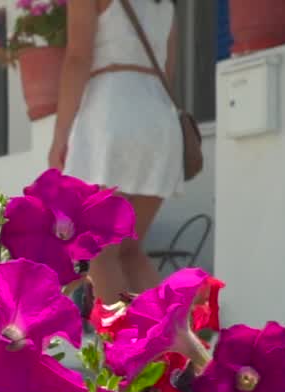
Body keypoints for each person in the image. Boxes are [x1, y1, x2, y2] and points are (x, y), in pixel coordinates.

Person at [49, 0, 182, 322]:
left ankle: (125, 354)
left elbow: (78, 58)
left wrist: (60, 135)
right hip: (159, 117)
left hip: (110, 111)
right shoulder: (166, 6)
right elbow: (168, 69)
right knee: (130, 249)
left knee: (100, 251)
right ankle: (168, 351)